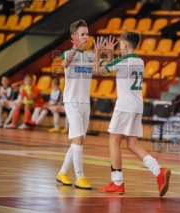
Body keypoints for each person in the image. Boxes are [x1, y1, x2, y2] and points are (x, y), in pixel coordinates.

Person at [94, 31, 171, 197]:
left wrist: (98, 53)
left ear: (125, 45)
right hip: (137, 105)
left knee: (114, 142)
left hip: (124, 106)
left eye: (120, 44)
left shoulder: (122, 60)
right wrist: (109, 54)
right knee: (132, 144)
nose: (119, 46)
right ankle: (159, 171)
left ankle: (117, 182)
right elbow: (117, 67)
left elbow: (98, 71)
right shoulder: (140, 61)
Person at [55, 20, 116, 190]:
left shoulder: (89, 55)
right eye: (82, 34)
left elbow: (104, 70)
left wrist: (108, 54)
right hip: (71, 101)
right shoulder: (67, 53)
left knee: (78, 139)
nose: (86, 37)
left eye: (87, 34)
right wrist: (75, 48)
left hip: (85, 102)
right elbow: (65, 64)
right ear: (74, 36)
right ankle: (80, 176)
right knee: (79, 137)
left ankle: (62, 172)